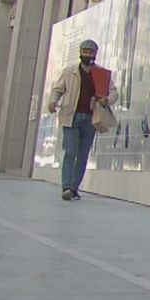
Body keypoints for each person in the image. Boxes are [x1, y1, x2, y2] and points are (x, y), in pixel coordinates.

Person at [47, 39, 116, 201]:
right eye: (85, 52)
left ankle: (74, 187)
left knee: (83, 154)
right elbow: (58, 89)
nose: (87, 55)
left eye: (90, 53)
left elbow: (113, 92)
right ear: (80, 53)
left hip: (91, 117)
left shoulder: (101, 73)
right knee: (70, 152)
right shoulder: (70, 71)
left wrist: (107, 99)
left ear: (95, 54)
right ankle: (66, 186)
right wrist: (52, 101)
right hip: (71, 115)